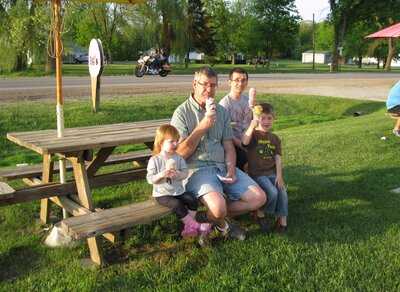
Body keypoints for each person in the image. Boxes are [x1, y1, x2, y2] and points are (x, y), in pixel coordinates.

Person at [170, 66, 267, 240]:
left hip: (222, 167)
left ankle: (207, 218)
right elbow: (179, 155)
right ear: (194, 84)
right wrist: (203, 127)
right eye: (204, 84)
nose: (209, 90)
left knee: (259, 198)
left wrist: (230, 168)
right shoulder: (181, 113)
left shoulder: (221, 112)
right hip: (197, 170)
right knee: (219, 207)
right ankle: (221, 220)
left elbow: (229, 146)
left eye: (213, 85)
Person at [146, 124, 212, 239]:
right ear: (161, 143)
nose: (176, 144)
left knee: (192, 199)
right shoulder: (155, 160)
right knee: (177, 204)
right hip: (162, 194)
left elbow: (185, 173)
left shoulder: (178, 158)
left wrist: (178, 175)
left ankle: (188, 228)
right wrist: (162, 174)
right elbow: (150, 179)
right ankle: (195, 225)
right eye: (171, 141)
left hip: (178, 191)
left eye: (177, 141)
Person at [242, 103, 288, 233]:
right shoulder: (254, 135)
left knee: (282, 191)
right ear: (257, 119)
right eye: (263, 118)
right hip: (257, 174)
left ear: (274, 119)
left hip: (272, 172)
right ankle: (260, 211)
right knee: (272, 192)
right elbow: (244, 142)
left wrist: (279, 176)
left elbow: (278, 158)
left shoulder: (275, 138)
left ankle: (282, 220)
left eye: (269, 118)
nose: (266, 121)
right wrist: (252, 126)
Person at [219, 68, 256, 170]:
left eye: (243, 80)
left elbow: (252, 123)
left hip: (248, 140)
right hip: (234, 145)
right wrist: (243, 146)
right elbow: (225, 133)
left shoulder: (248, 101)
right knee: (245, 159)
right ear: (230, 82)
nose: (240, 83)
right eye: (237, 80)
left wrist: (255, 108)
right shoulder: (224, 105)